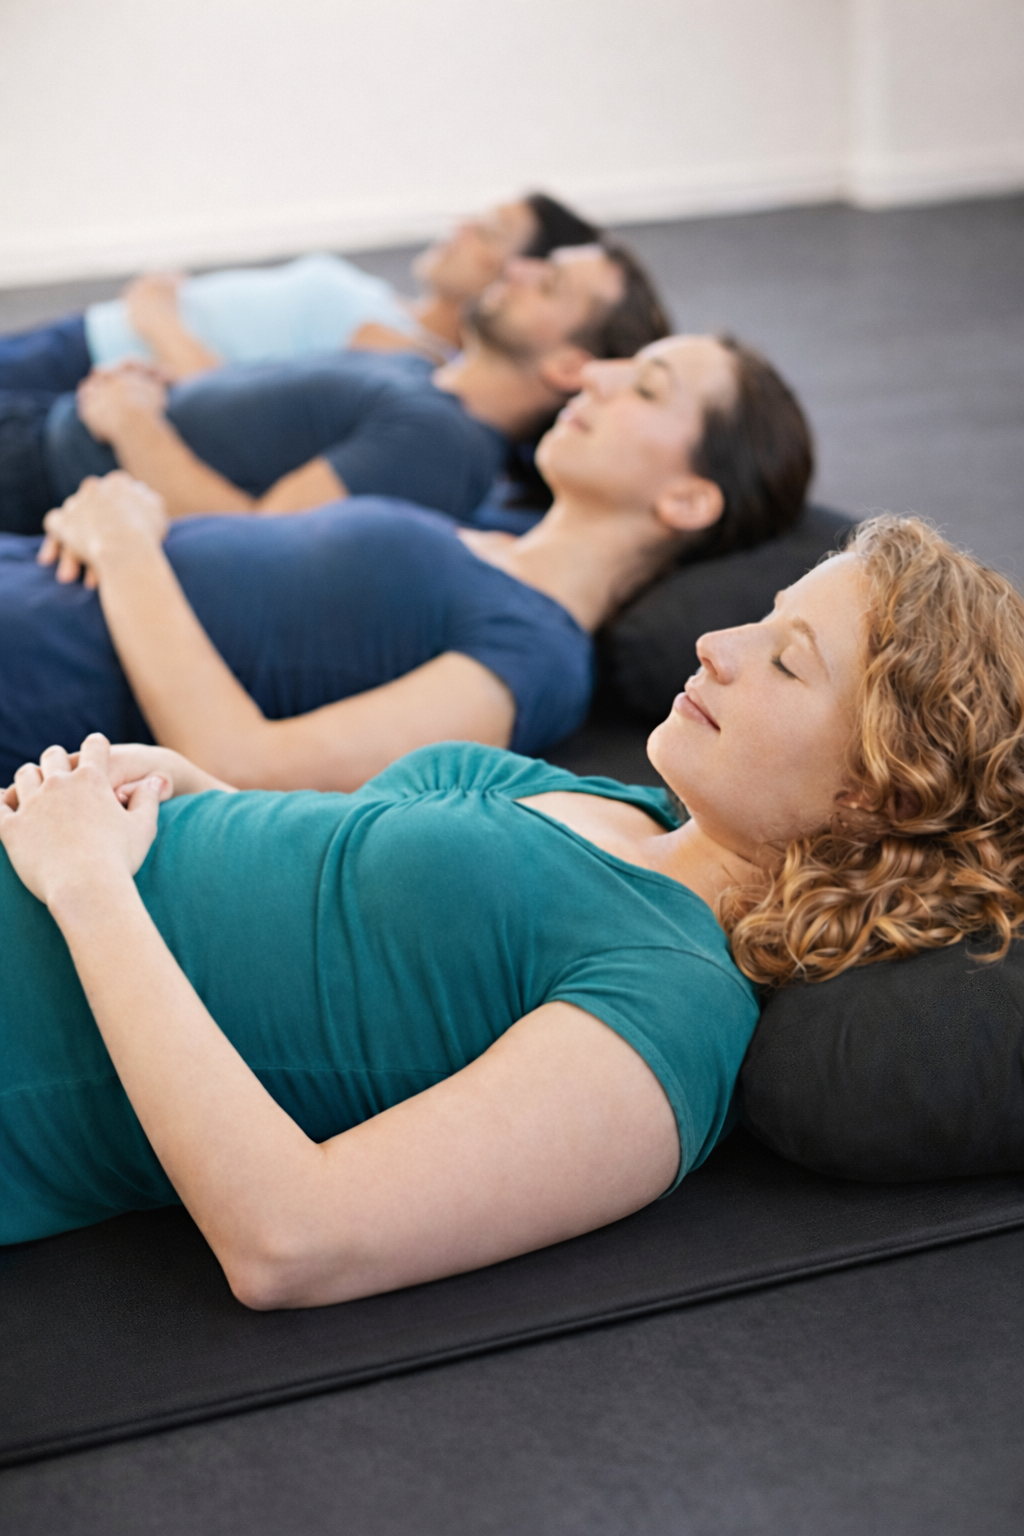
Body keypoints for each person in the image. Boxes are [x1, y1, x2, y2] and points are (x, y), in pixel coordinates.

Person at [3, 517, 1022, 1308]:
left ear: (871, 795)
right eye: (758, 617)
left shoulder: (675, 1001)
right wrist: (193, 795)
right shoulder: (609, 804)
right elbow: (326, 927)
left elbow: (294, 1242)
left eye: (787, 660)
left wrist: (92, 886)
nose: (717, 644)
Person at [0, 334, 814, 788]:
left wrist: (127, 545)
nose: (596, 375)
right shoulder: (487, 522)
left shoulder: (537, 654)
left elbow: (244, 768)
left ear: (687, 501)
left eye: (645, 387)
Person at [0, 242, 668, 534]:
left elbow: (248, 539)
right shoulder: (418, 379)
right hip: (49, 428)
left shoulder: (438, 442)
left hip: (44, 480)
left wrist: (133, 423)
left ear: (566, 368)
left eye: (547, 284)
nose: (517, 269)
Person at [0, 193, 601, 390]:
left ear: (520, 273)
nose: (461, 228)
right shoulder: (388, 307)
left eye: (488, 234)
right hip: (86, 335)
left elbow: (240, 406)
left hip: (94, 367)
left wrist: (158, 319)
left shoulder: (401, 355)